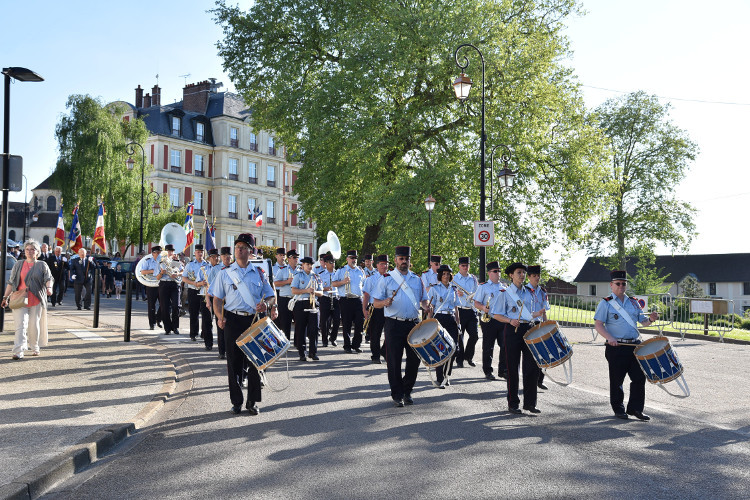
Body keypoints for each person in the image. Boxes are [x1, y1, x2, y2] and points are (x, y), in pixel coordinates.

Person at [210, 233, 277, 415]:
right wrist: (219, 316)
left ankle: (252, 402)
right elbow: (216, 299)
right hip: (232, 319)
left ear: (251, 251)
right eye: (237, 246)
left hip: (254, 320)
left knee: (256, 362)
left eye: (243, 247)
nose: (239, 249)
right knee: (234, 362)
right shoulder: (225, 274)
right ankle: (237, 402)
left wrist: (268, 304)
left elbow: (271, 295)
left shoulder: (259, 274)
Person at [594, 270, 659, 421]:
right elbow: (598, 324)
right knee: (617, 380)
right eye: (618, 283)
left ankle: (635, 409)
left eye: (624, 283)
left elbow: (642, 322)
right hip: (616, 346)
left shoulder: (633, 302)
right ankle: (618, 409)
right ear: (611, 285)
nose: (621, 286)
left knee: (639, 378)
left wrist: (651, 319)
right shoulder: (606, 303)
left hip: (634, 346)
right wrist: (609, 337)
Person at [373, 245, 431, 407]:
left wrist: (426, 306)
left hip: (413, 324)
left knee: (414, 360)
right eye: (401, 259)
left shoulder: (417, 279)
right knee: (394, 361)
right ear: (396, 260)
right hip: (393, 324)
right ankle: (397, 394)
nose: (404, 261)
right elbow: (376, 303)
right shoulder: (387, 279)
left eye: (407, 259)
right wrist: (384, 302)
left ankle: (407, 390)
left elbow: (423, 299)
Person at [492, 262, 546, 415]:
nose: (522, 275)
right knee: (512, 368)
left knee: (532, 368)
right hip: (512, 330)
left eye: (523, 272)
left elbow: (530, 313)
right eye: (519, 272)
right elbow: (496, 314)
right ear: (511, 275)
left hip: (529, 329)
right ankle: (513, 403)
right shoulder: (505, 293)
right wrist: (509, 320)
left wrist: (538, 314)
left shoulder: (530, 292)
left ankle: (530, 403)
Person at [2, 239, 54, 360]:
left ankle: (35, 346)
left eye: (33, 249)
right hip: (20, 299)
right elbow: (11, 282)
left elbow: (48, 278)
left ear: (37, 252)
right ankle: (18, 350)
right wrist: (5, 297)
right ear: (24, 251)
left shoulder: (42, 265)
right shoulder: (18, 264)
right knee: (21, 324)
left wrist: (49, 288)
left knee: (33, 325)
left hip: (36, 299)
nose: (30, 251)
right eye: (27, 249)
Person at [427, 264, 461, 388]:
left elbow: (456, 307)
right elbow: (431, 307)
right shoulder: (434, 288)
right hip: (439, 318)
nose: (446, 276)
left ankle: (447, 374)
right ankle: (440, 378)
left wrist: (458, 323)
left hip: (451, 318)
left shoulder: (453, 289)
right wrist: (429, 323)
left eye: (448, 274)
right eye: (444, 274)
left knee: (454, 349)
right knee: (440, 349)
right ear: (440, 276)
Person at [473, 261, 507, 380]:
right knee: (488, 346)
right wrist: (483, 308)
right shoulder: (483, 286)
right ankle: (488, 371)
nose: (498, 273)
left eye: (499, 271)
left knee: (504, 345)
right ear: (489, 273)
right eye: (495, 271)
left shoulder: (504, 287)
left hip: (501, 319)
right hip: (488, 319)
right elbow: (476, 302)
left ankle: (503, 370)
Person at [331, 250, 366, 353]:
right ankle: (347, 345)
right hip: (346, 299)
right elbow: (333, 283)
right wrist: (343, 282)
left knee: (360, 323)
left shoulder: (360, 271)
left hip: (358, 299)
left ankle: (356, 344)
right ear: (347, 259)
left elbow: (364, 285)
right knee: (347, 324)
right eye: (351, 258)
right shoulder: (341, 270)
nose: (353, 260)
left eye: (355, 258)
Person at [291, 256, 323, 361]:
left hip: (313, 303)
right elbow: (294, 291)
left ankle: (313, 353)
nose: (309, 266)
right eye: (307, 264)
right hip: (301, 304)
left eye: (311, 265)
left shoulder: (316, 276)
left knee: (314, 329)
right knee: (301, 329)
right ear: (303, 265)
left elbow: (321, 293)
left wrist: (314, 292)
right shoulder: (298, 275)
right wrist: (307, 291)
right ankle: (302, 353)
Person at [526, 265, 550, 390]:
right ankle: (531, 380)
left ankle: (540, 380)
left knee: (544, 352)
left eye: (538, 276)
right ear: (529, 277)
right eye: (534, 276)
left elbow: (544, 310)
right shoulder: (524, 290)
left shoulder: (542, 292)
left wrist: (547, 325)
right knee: (532, 355)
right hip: (529, 324)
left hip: (540, 324)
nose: (537, 278)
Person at [183, 244, 212, 348]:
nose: (200, 254)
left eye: (202, 252)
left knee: (205, 313)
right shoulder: (190, 265)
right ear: (194, 253)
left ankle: (205, 333)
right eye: (198, 252)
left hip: (204, 292)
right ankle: (193, 334)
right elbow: (184, 278)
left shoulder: (208, 264)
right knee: (193, 312)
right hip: (193, 290)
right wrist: (194, 283)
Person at [362, 254, 388, 363]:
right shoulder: (371, 279)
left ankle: (384, 351)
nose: (384, 266)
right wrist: (364, 309)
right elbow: (366, 295)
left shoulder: (391, 278)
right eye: (382, 264)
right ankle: (375, 355)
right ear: (377, 265)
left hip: (389, 308)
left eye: (386, 264)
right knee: (375, 333)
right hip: (375, 307)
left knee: (391, 332)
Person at [454, 256, 479, 367]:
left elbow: (477, 293)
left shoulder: (473, 278)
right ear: (459, 266)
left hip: (471, 310)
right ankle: (459, 359)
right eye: (463, 265)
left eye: (467, 265)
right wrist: (457, 294)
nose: (465, 267)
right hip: (460, 310)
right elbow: (450, 293)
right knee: (460, 336)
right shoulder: (454, 278)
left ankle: (468, 356)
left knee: (474, 335)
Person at [157, 244, 183, 335]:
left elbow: (183, 271)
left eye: (171, 251)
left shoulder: (176, 261)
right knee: (164, 307)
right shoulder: (161, 262)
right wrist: (161, 273)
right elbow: (157, 277)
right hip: (164, 284)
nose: (170, 253)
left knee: (176, 305)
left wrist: (178, 274)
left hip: (174, 284)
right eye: (168, 251)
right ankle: (167, 328)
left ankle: (175, 327)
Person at [273, 248, 297, 341]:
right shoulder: (283, 270)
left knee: (299, 322)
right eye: (294, 257)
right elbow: (275, 283)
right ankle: (286, 342)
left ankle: (297, 343)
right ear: (289, 258)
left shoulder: (300, 270)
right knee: (285, 323)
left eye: (297, 257)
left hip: (296, 298)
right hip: (285, 298)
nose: (296, 259)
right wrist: (287, 281)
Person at [203, 248, 223, 358]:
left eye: (218, 256)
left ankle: (222, 350)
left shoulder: (220, 268)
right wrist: (207, 300)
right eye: (214, 257)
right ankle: (209, 344)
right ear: (210, 258)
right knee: (207, 321)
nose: (216, 258)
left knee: (220, 322)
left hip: (219, 297)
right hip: (210, 296)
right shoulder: (206, 267)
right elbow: (207, 285)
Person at [318, 253, 340, 347]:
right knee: (324, 321)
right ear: (326, 263)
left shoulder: (338, 273)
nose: (333, 264)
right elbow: (317, 288)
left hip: (336, 298)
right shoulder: (321, 275)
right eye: (331, 262)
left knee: (337, 320)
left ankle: (333, 338)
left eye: (334, 262)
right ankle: (324, 340)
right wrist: (325, 289)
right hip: (325, 298)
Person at [139, 246, 163, 330]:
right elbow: (142, 271)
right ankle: (152, 323)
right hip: (151, 285)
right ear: (153, 253)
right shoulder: (147, 261)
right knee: (151, 305)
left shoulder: (163, 261)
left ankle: (158, 318)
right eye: (157, 252)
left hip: (161, 284)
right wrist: (152, 271)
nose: (159, 254)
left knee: (164, 304)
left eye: (160, 252)